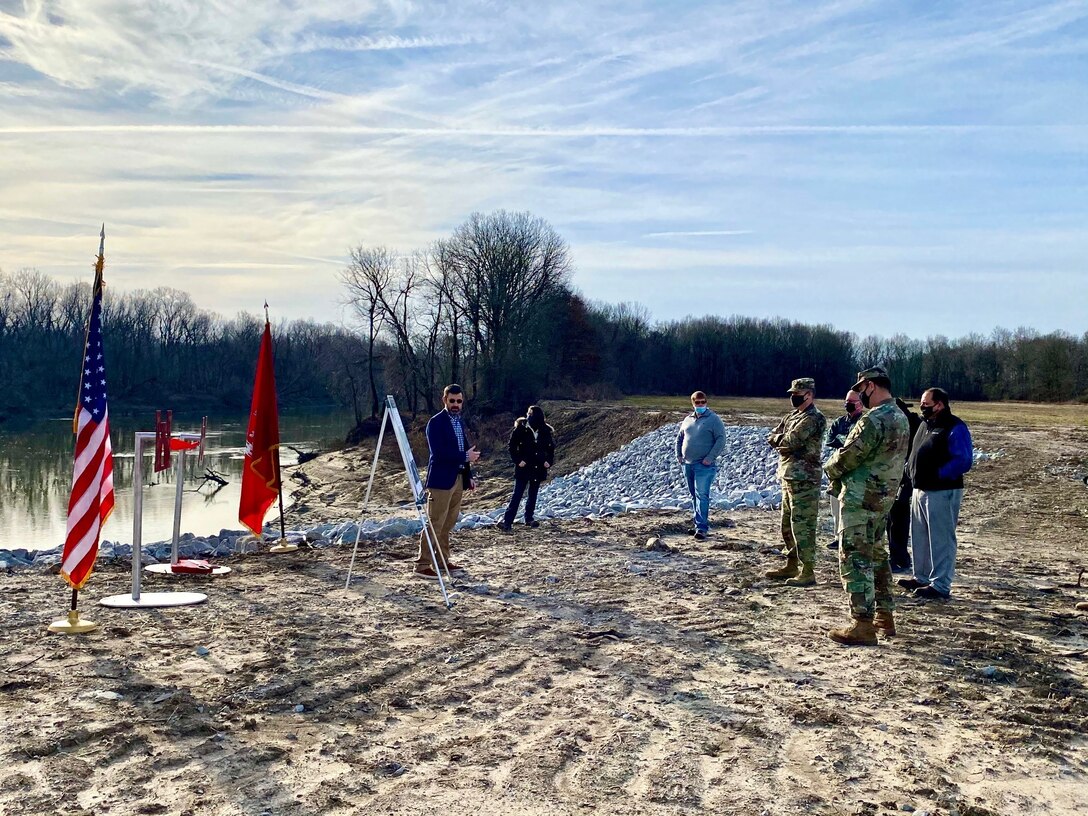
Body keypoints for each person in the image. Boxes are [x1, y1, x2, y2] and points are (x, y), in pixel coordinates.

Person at [823, 366, 910, 645]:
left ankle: (862, 623)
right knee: (877, 556)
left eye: (861, 390)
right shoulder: (901, 416)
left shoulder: (874, 419)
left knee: (854, 558)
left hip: (860, 499)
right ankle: (884, 616)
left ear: (871, 386)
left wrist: (829, 468)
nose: (861, 396)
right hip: (882, 499)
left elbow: (848, 457)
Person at [898, 387, 973, 600]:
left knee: (941, 539)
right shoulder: (925, 425)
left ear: (939, 404)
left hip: (942, 491)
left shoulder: (954, 426)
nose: (922, 407)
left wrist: (939, 475)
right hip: (919, 489)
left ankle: (940, 585)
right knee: (920, 537)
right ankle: (921, 577)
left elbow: (963, 460)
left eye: (926, 403)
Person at [765, 378, 827, 587]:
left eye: (797, 393)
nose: (793, 397)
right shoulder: (792, 416)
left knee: (803, 525)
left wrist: (780, 440)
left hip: (805, 479)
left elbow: (791, 440)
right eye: (792, 393)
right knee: (787, 525)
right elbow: (774, 435)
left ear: (809, 394)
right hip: (788, 476)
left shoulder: (814, 418)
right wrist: (780, 440)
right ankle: (792, 564)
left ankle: (808, 570)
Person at [414, 384, 481, 578]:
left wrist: (468, 477)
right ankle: (422, 565)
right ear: (444, 400)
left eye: (459, 401)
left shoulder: (459, 421)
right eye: (452, 401)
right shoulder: (436, 423)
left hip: (458, 478)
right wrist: (465, 457)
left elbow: (464, 450)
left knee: (448, 522)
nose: (455, 404)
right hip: (441, 481)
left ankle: (442, 560)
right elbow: (439, 453)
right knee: (435, 522)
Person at [675, 391, 726, 540]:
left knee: (702, 495)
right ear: (693, 403)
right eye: (697, 403)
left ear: (706, 402)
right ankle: (698, 523)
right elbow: (680, 438)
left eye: (703, 402)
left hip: (704, 465)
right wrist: (679, 454)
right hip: (688, 464)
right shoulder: (687, 420)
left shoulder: (714, 420)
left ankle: (702, 528)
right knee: (693, 496)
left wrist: (710, 458)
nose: (700, 405)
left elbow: (721, 439)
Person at [501, 405, 555, 531]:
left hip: (538, 466)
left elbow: (550, 448)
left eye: (530, 414)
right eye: (527, 413)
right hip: (524, 466)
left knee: (533, 494)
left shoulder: (545, 430)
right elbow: (512, 446)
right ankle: (507, 522)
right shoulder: (521, 428)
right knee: (517, 494)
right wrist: (518, 460)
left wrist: (548, 461)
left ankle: (529, 518)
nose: (527, 416)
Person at [825, 390, 864, 551]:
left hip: (855, 472)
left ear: (860, 404)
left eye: (852, 401)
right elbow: (831, 441)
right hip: (838, 471)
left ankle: (852, 538)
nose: (848, 404)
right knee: (835, 506)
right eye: (847, 401)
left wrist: (844, 442)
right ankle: (837, 537)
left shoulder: (864, 422)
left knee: (853, 508)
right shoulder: (839, 422)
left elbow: (855, 446)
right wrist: (845, 442)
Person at [886, 397, 923, 572]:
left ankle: (899, 556)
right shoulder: (909, 422)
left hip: (905, 476)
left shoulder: (913, 425)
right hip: (896, 475)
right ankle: (898, 555)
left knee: (898, 517)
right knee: (892, 518)